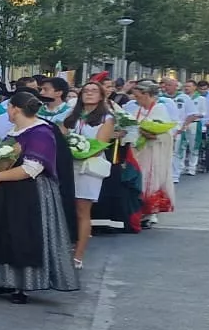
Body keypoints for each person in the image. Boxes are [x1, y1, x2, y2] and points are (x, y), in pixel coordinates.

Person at [0, 91, 80, 303]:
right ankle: (2, 281)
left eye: (10, 108)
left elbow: (32, 168)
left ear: (15, 109)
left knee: (24, 236)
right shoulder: (16, 130)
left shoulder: (41, 132)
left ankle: (22, 286)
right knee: (2, 234)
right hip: (9, 191)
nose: (9, 112)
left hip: (30, 192)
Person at [64, 83, 116, 268]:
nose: (89, 94)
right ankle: (66, 246)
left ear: (102, 96)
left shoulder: (106, 118)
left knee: (82, 210)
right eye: (86, 91)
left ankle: (79, 254)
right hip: (69, 165)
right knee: (67, 208)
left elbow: (99, 144)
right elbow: (61, 134)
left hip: (89, 167)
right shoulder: (72, 116)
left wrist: (78, 149)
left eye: (94, 91)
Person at [124, 81, 178, 220]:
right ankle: (140, 209)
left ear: (146, 94)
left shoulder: (159, 109)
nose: (135, 99)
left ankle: (150, 212)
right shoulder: (138, 110)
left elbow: (167, 133)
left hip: (153, 152)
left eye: (138, 96)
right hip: (139, 150)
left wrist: (151, 134)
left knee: (151, 179)